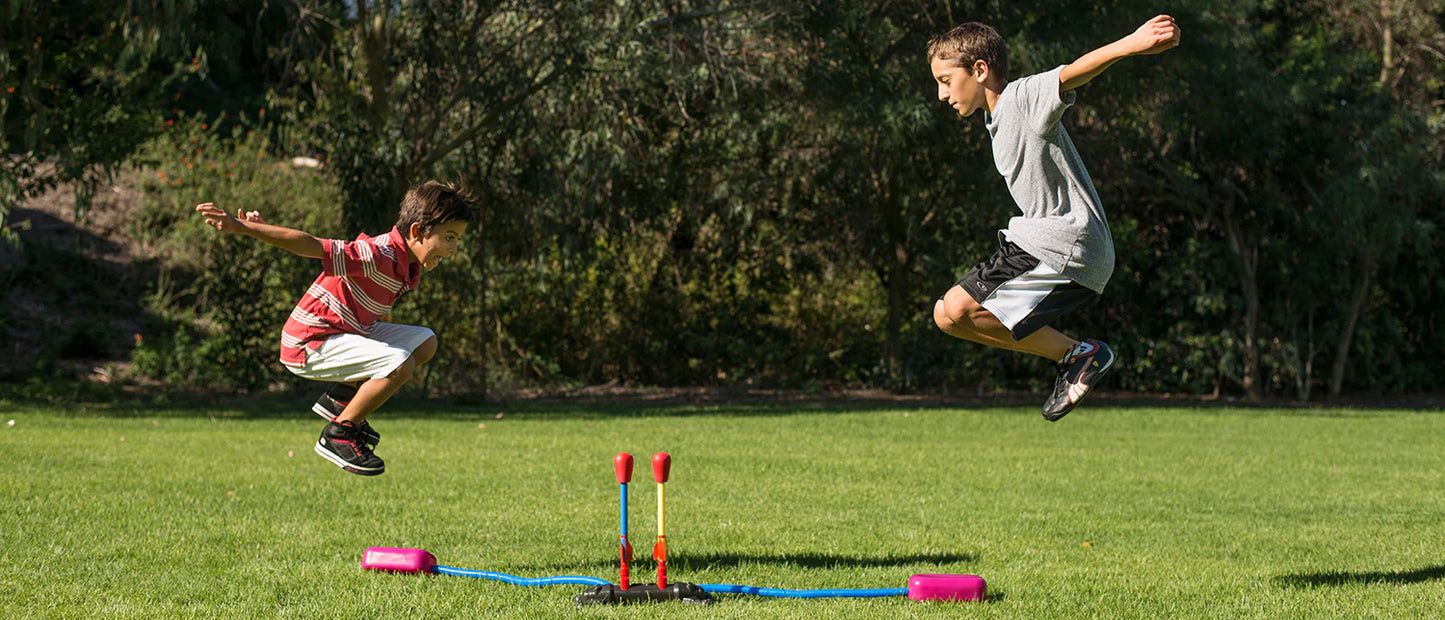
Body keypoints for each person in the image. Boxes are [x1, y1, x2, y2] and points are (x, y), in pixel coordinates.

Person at [926, 15, 1181, 420]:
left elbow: (1072, 74)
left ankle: (1080, 354)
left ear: (979, 70)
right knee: (947, 316)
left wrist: (1131, 43)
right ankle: (1076, 355)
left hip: (1066, 243)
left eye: (944, 79)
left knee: (957, 307)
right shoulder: (996, 120)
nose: (941, 94)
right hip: (1046, 244)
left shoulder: (1019, 99)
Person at [194, 181, 476, 474]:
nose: (454, 248)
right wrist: (245, 228)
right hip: (308, 343)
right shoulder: (376, 254)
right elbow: (312, 245)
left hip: (344, 333)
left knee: (424, 342)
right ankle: (339, 433)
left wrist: (263, 229)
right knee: (400, 364)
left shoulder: (408, 264)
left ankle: (340, 398)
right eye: (449, 237)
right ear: (417, 231)